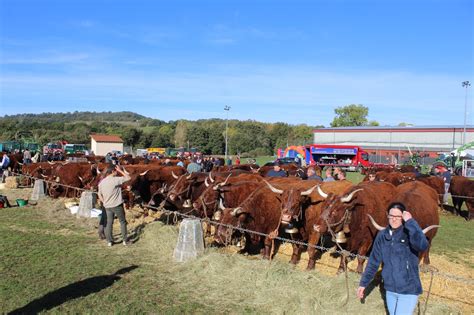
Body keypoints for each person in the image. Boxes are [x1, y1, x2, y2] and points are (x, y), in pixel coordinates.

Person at [357, 202, 429, 315]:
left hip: (408, 290)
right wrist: (363, 283)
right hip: (390, 289)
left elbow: (422, 245)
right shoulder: (382, 236)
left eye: (398, 216)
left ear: (403, 217)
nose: (394, 219)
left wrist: (411, 222)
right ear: (387, 216)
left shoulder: (409, 233)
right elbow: (373, 262)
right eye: (391, 216)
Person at [98, 165, 131, 247]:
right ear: (113, 171)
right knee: (123, 222)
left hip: (107, 206)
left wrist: (104, 202)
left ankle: (109, 241)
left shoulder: (102, 182)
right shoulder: (116, 180)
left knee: (109, 223)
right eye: (115, 171)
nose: (116, 172)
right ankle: (125, 241)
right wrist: (120, 170)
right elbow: (128, 178)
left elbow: (99, 194)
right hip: (117, 205)